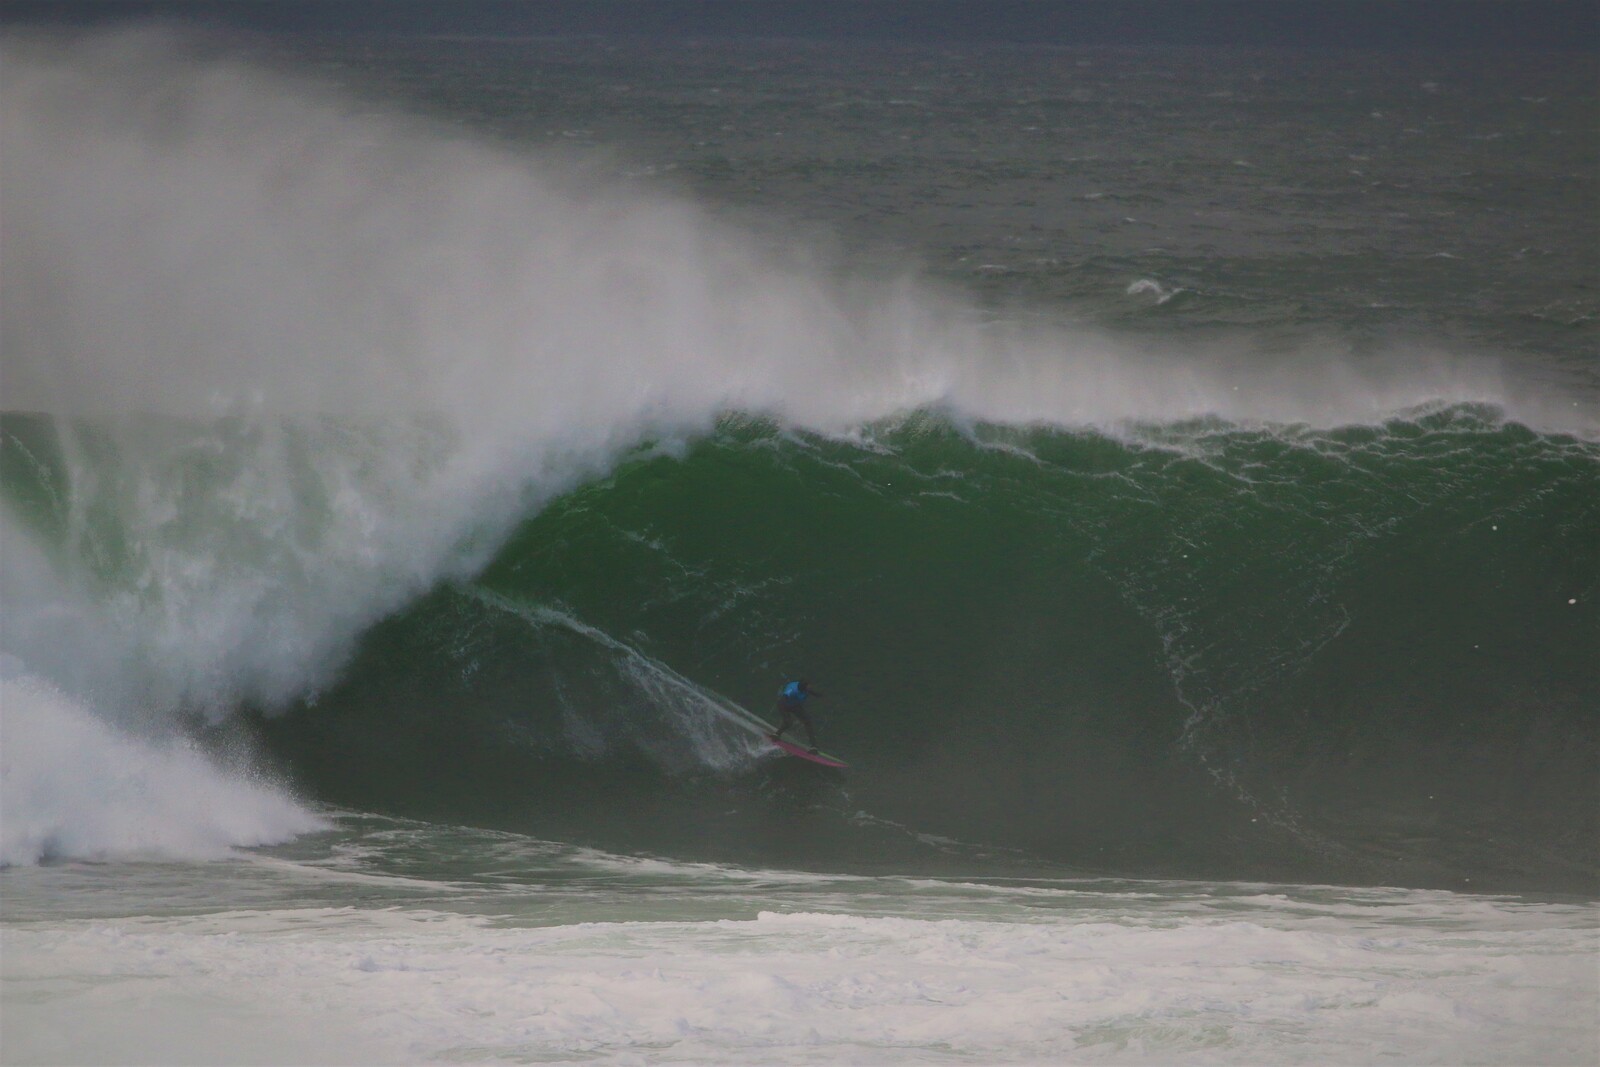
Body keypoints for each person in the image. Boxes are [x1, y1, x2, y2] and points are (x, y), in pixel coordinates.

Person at [772, 678, 822, 753]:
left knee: (808, 722)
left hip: (795, 706)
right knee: (788, 722)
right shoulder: (792, 690)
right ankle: (776, 734)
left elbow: (812, 692)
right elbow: (783, 700)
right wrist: (786, 715)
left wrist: (820, 695)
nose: (810, 687)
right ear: (804, 687)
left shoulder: (805, 689)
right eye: (809, 686)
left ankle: (813, 747)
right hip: (784, 705)